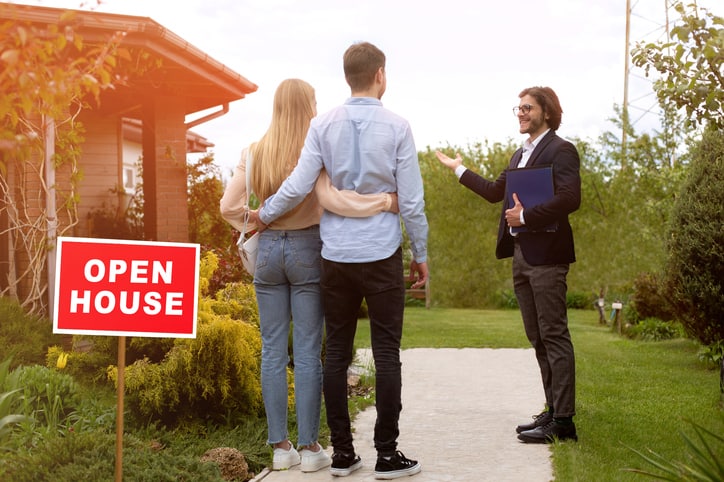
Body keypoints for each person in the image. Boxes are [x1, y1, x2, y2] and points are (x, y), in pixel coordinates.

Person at [252, 42, 428, 479]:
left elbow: (297, 185)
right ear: (380, 75)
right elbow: (412, 201)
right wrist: (421, 253)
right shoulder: (398, 127)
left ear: (347, 76)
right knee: (387, 353)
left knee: (336, 355)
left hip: (335, 256)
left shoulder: (323, 125)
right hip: (382, 254)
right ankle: (387, 455)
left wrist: (263, 215)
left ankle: (343, 455)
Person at [220, 78, 398, 473]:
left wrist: (254, 220)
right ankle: (310, 446)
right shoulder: (314, 149)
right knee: (307, 351)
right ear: (307, 107)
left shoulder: (254, 151)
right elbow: (331, 196)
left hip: (266, 252)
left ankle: (280, 448)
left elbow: (227, 206)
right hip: (307, 250)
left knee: (271, 349)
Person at [435, 86, 581, 444]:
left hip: (547, 258)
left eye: (527, 107)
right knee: (538, 338)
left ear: (546, 112)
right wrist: (459, 169)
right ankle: (552, 410)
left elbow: (570, 198)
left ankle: (564, 423)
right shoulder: (520, 155)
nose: (521, 113)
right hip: (522, 257)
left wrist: (527, 216)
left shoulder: (561, 150)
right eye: (517, 108)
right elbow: (492, 192)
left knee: (554, 336)